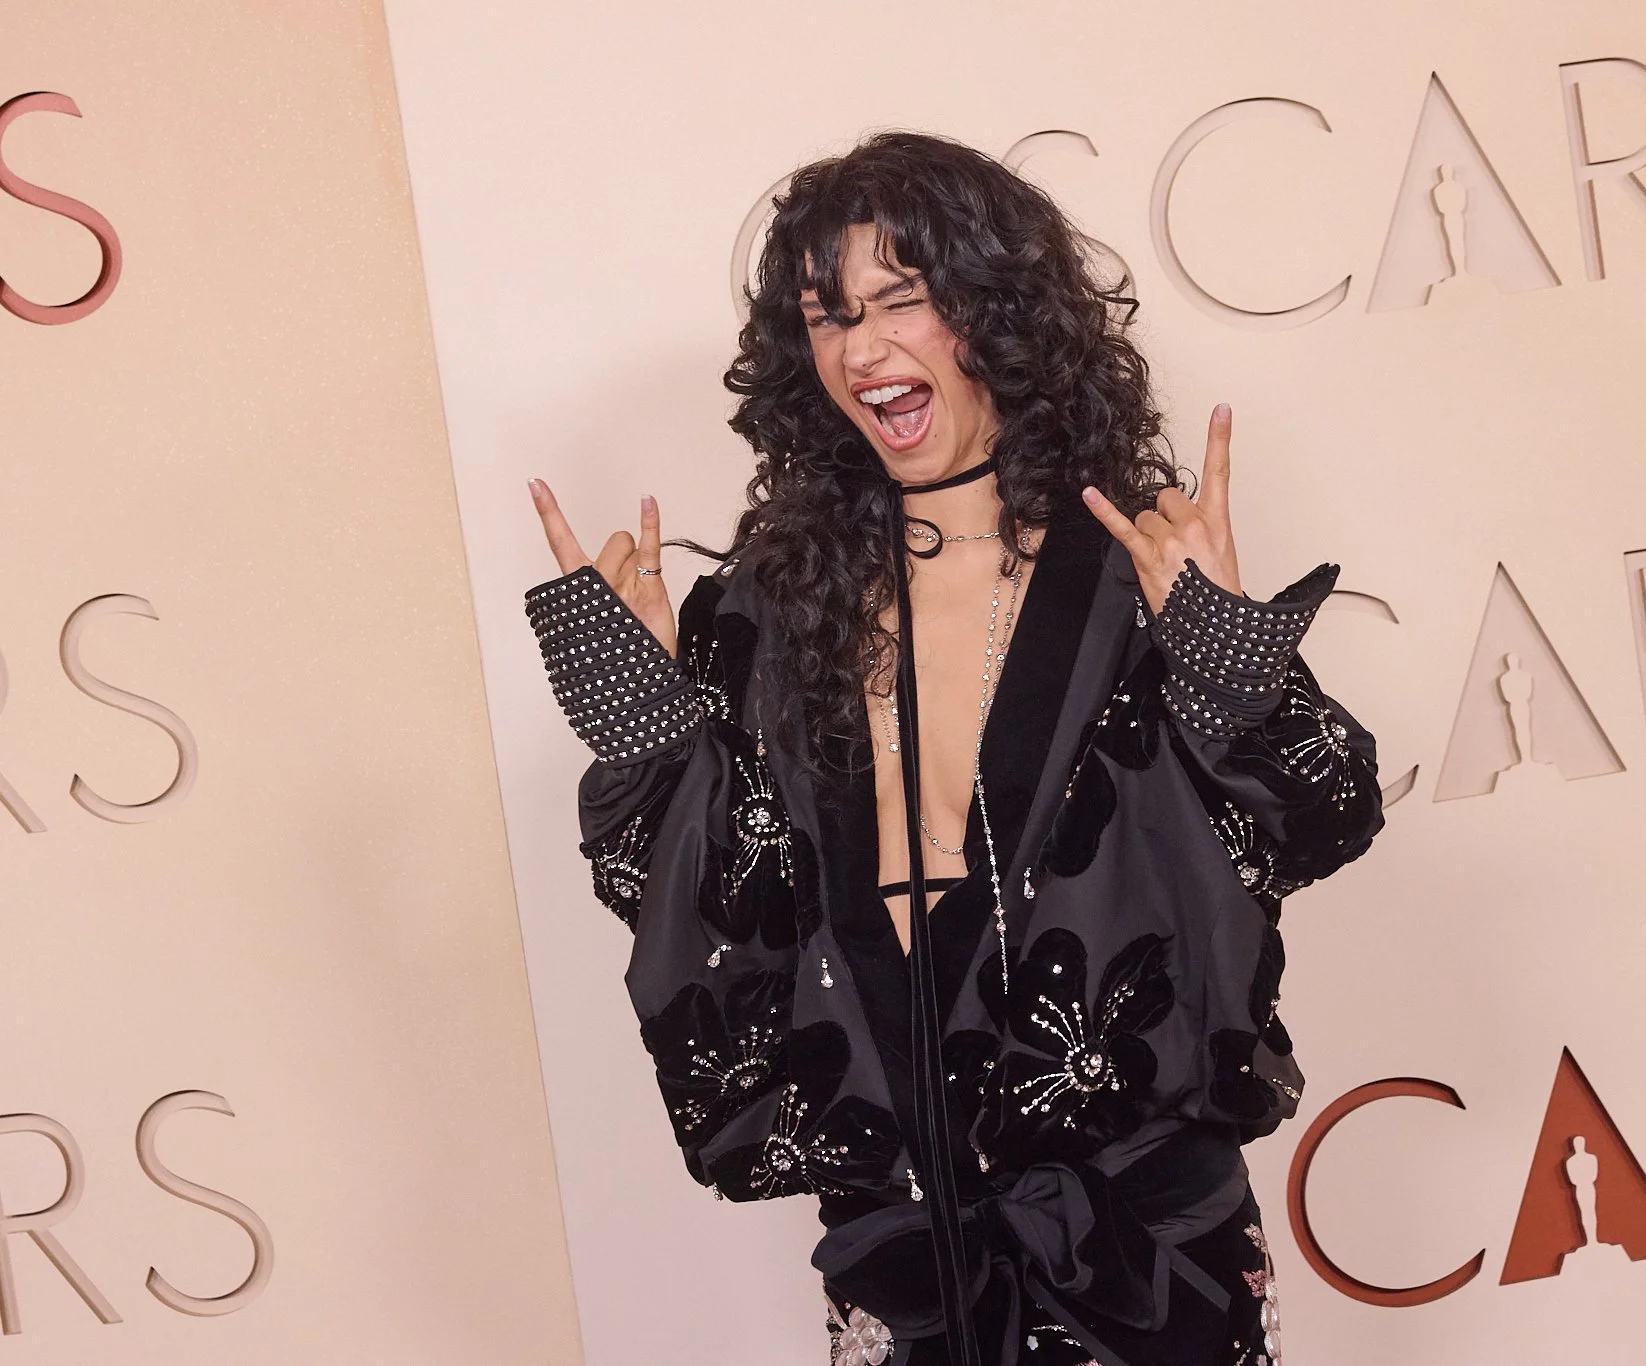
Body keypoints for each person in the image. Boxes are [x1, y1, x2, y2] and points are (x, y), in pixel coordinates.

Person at [522, 131, 1383, 1366]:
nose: (862, 349)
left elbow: (1323, 819)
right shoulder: (765, 613)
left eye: (901, 300)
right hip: (903, 1269)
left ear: (995, 309)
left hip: (1138, 1257)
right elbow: (701, 931)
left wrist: (1226, 659)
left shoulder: (1129, 577)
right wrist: (646, 739)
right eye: (826, 317)